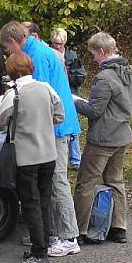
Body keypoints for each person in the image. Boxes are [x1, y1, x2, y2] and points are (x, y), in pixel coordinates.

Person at [1, 21, 81, 257]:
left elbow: (39, 93)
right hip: (55, 125)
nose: (8, 53)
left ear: (14, 42)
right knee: (48, 185)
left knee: (57, 182)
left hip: (56, 128)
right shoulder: (39, 50)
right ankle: (48, 234)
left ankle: (69, 236)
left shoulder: (36, 55)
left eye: (7, 48)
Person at [0, 51, 63, 263]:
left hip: (26, 157)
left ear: (10, 71)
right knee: (44, 201)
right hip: (49, 154)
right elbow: (59, 115)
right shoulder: (46, 88)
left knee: (30, 203)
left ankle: (39, 252)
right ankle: (43, 243)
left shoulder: (14, 94)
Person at [73, 32, 132, 246]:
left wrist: (73, 100)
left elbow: (95, 110)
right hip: (121, 134)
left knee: (86, 182)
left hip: (103, 138)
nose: (93, 59)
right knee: (115, 180)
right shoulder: (129, 73)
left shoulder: (104, 78)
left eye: (93, 54)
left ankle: (79, 229)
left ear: (101, 52)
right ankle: (119, 227)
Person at [50, 27, 87, 169]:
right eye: (54, 43)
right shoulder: (49, 54)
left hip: (70, 92)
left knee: (72, 126)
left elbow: (80, 76)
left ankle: (75, 158)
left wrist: (66, 75)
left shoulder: (72, 56)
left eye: (59, 44)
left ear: (64, 43)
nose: (57, 46)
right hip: (55, 93)